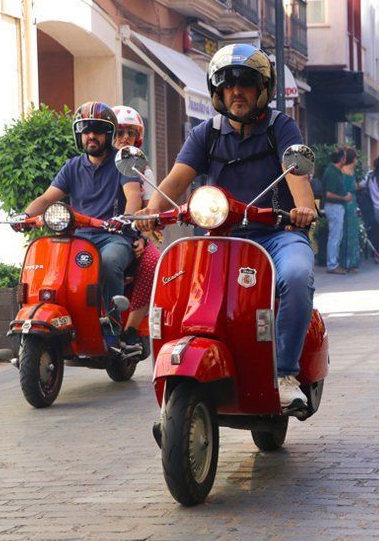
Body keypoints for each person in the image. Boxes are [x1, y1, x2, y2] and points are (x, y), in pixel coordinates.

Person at [135, 44, 317, 411]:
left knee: (297, 276)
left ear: (262, 90)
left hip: (277, 234)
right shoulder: (207, 133)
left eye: (246, 84)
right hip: (221, 235)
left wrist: (303, 209)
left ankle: (283, 373)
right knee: (178, 284)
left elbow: (296, 174)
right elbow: (175, 179)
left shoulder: (280, 126)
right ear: (217, 92)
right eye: (228, 85)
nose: (237, 92)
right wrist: (151, 211)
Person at [12, 102, 142, 350]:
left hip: (112, 237)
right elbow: (48, 198)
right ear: (78, 135)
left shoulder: (122, 163)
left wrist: (126, 216)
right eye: (85, 130)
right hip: (77, 238)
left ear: (109, 134)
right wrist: (24, 215)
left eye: (97, 129)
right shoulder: (72, 166)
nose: (91, 135)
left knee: (109, 262)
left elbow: (133, 194)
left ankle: (113, 330)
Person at [112, 105, 158, 355]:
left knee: (153, 263)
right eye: (119, 132)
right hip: (98, 235)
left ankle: (130, 330)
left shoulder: (143, 169)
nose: (125, 138)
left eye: (131, 133)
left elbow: (150, 210)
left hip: (134, 235)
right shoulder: (98, 163)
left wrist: (139, 235)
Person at [321, 147, 349, 275]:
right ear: (342, 158)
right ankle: (332, 265)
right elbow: (329, 194)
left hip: (336, 207)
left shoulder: (335, 171)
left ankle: (333, 263)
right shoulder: (332, 172)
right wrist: (344, 197)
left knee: (336, 236)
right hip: (334, 207)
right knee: (335, 237)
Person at [340, 147, 361, 273]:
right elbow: (352, 186)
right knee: (351, 232)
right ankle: (351, 262)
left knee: (346, 232)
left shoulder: (342, 170)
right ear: (353, 158)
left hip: (347, 202)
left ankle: (346, 262)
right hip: (350, 201)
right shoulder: (349, 170)